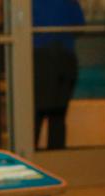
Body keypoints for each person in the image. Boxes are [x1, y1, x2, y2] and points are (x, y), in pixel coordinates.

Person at [32, 0, 83, 149]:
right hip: (65, 59)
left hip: (38, 60)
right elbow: (80, 26)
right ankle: (57, 159)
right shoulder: (70, 2)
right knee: (58, 116)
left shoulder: (28, 3)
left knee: (35, 115)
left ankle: (30, 159)